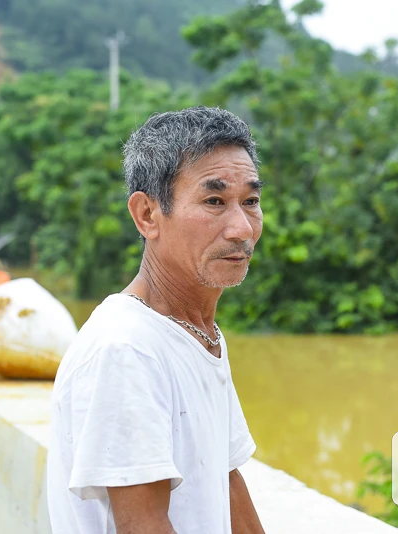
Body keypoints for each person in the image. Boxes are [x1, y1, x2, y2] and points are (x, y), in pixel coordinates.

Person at [47, 106, 266, 534]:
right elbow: (143, 525)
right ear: (147, 215)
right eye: (214, 201)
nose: (242, 229)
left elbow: (224, 481)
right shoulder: (126, 348)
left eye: (251, 202)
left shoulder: (198, 333)